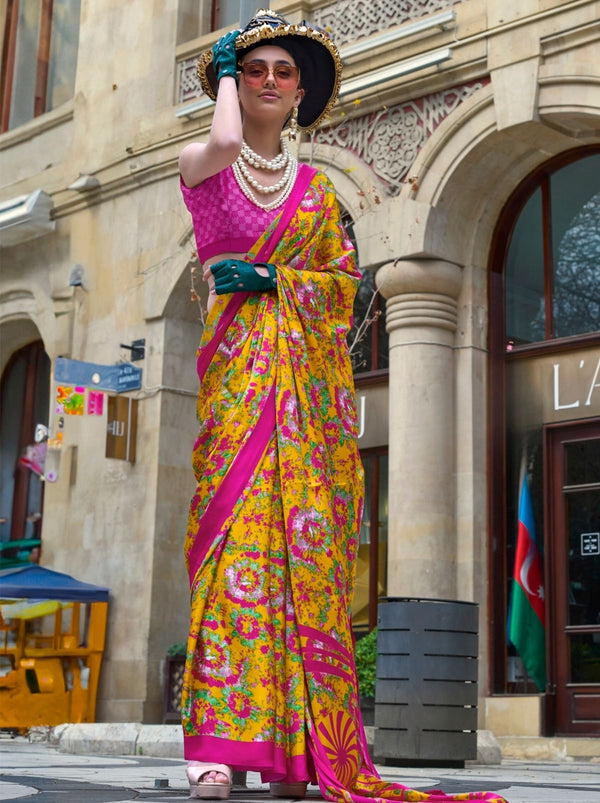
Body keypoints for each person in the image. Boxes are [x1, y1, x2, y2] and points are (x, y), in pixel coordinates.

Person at [178, 10, 507, 803]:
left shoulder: (319, 194)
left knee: (303, 571)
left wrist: (279, 283)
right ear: (233, 81)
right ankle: (215, 753)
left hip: (304, 407)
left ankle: (297, 751)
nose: (266, 81)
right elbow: (224, 144)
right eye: (253, 69)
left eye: (282, 72)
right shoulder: (203, 164)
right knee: (236, 562)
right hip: (239, 394)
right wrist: (223, 68)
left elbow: (339, 290)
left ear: (301, 94)